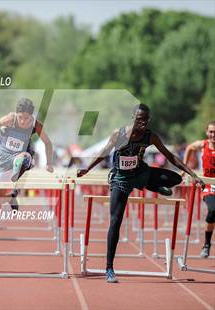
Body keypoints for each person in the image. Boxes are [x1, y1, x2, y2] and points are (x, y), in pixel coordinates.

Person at [77, 104, 204, 283]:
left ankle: (151, 185)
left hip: (140, 173)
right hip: (120, 180)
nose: (142, 123)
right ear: (133, 118)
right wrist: (87, 169)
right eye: (139, 120)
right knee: (115, 221)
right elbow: (104, 152)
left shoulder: (150, 136)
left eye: (145, 120)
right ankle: (109, 268)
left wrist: (193, 174)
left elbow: (170, 157)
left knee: (175, 179)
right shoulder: (119, 134)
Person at [0, 98, 53, 210]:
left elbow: (48, 143)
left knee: (23, 158)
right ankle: (11, 197)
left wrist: (49, 163)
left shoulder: (36, 124)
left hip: (22, 155)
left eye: (26, 118)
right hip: (4, 158)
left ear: (31, 116)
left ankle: (19, 169)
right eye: (20, 117)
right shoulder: (11, 118)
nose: (23, 121)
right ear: (16, 114)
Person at [183, 121, 215, 258]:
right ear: (207, 132)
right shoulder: (203, 145)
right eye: (211, 132)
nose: (213, 134)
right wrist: (185, 168)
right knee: (213, 209)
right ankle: (207, 244)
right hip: (209, 185)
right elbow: (189, 148)